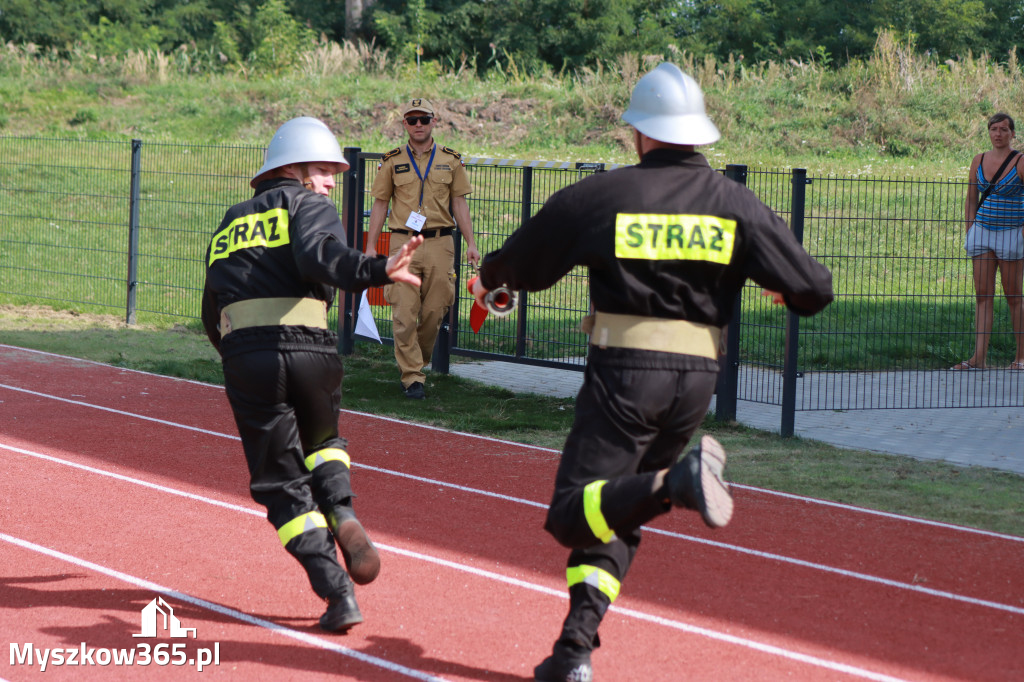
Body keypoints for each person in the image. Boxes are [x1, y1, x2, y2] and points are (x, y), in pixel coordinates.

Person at [471, 63, 835, 681]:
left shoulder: (604, 196)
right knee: (616, 506)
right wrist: (788, 294)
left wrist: (489, 277)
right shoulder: (734, 202)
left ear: (638, 133)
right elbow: (813, 287)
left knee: (570, 512)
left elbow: (526, 264)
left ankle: (678, 484)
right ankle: (573, 652)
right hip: (697, 380)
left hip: (626, 373)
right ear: (699, 133)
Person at [201, 116, 424, 632]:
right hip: (312, 348)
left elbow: (212, 304)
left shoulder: (230, 222)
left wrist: (234, 357)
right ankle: (343, 512)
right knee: (325, 441)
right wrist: (375, 270)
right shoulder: (309, 205)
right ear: (295, 170)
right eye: (323, 171)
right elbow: (322, 257)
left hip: (246, 353)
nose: (330, 182)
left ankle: (337, 593)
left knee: (281, 484)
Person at [365, 97, 481, 400]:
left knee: (435, 310)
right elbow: (380, 204)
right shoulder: (391, 160)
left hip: (442, 241)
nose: (418, 125)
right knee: (404, 312)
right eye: (412, 120)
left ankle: (417, 360)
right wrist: (369, 247)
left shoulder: (450, 159)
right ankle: (413, 377)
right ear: (404, 124)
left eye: (424, 119)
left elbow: (459, 203)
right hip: (403, 242)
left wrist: (471, 243)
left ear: (434, 121)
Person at [952, 112, 1024, 370]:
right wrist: (970, 229)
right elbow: (971, 198)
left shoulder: (1020, 162)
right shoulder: (978, 160)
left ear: (1012, 134)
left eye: (1004, 129)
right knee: (983, 296)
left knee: (1014, 296)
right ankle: (978, 359)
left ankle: (1021, 358)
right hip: (982, 233)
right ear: (989, 132)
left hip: (1010, 233)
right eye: (994, 129)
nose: (998, 134)